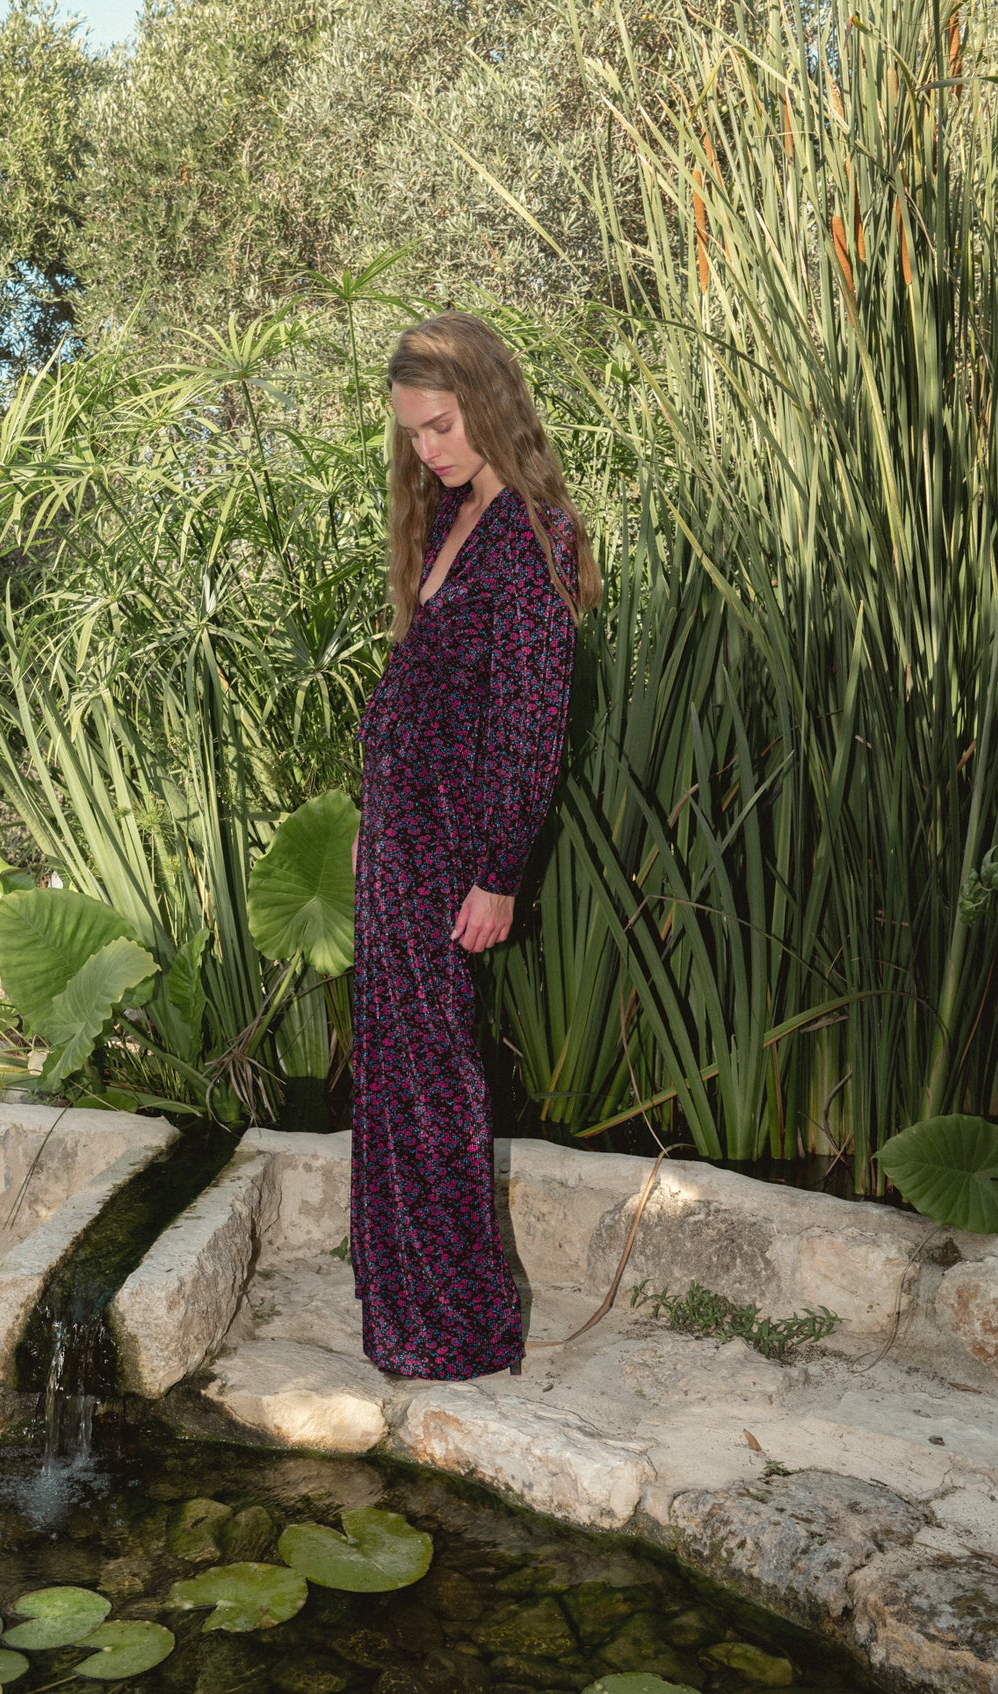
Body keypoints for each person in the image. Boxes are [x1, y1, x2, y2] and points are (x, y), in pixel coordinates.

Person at [350, 311, 601, 1381]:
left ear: (489, 406)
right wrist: (372, 822)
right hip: (399, 843)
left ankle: (457, 1329)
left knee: (433, 1081)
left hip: (454, 851)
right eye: (413, 432)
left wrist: (498, 873)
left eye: (442, 426)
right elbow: (419, 690)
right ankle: (406, 1315)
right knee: (393, 1076)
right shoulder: (454, 516)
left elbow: (531, 727)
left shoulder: (535, 534)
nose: (429, 449)